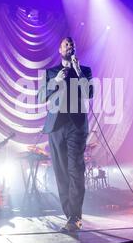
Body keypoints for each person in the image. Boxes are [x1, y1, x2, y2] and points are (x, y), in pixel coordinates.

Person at [38, 37, 93, 232]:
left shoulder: (84, 70)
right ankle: (70, 214)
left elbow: (89, 93)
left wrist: (78, 71)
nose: (70, 46)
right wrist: (56, 81)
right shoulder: (51, 72)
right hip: (56, 127)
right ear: (60, 50)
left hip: (76, 126)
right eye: (66, 44)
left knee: (75, 170)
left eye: (72, 44)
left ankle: (75, 216)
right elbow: (41, 96)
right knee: (61, 172)